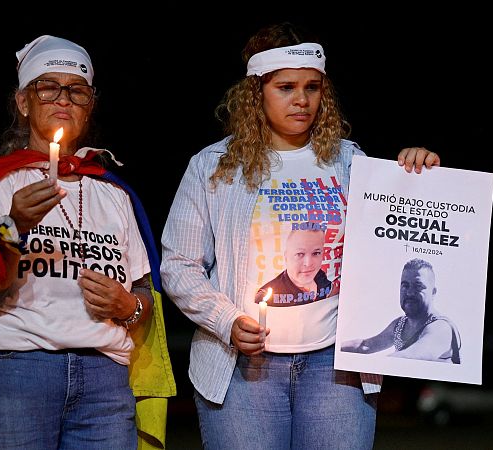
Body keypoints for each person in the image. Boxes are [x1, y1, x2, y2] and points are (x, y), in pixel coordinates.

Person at [160, 22, 439, 449]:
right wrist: (227, 320)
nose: (302, 100)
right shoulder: (214, 166)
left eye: (312, 87)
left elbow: (392, 240)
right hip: (244, 369)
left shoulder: (349, 161)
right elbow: (179, 266)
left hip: (335, 368)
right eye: (286, 87)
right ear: (256, 93)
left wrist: (415, 177)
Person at [0, 35, 175, 449]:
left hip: (104, 376)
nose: (63, 98)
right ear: (24, 102)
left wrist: (128, 306)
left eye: (77, 91)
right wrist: (13, 226)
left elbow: (143, 295)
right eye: (48, 88)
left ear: (89, 105)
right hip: (16, 367)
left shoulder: (114, 193)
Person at [340, 258, 461, 364]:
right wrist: (336, 349)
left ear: (433, 292)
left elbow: (412, 357)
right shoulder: (400, 325)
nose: (409, 292)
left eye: (418, 286)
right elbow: (365, 346)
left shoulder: (441, 328)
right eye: (405, 285)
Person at [254, 226, 333, 306]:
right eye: (300, 254)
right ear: (286, 257)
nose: (308, 263)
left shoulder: (321, 276)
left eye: (316, 253)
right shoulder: (267, 297)